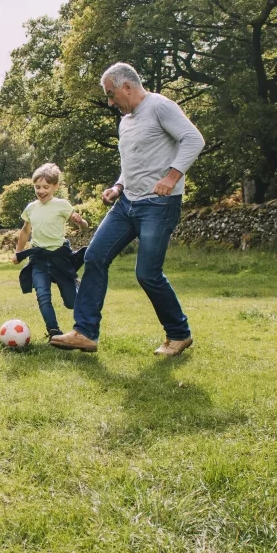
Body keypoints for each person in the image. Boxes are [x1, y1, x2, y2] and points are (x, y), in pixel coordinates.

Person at [50, 62, 205, 355]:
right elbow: (132, 161)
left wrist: (172, 177)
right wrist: (118, 186)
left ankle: (179, 333)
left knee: (147, 273)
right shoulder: (125, 121)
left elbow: (194, 139)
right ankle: (85, 332)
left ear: (127, 87)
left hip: (158, 205)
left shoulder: (160, 106)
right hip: (127, 203)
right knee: (94, 256)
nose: (110, 102)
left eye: (111, 94)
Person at [12, 163, 89, 340]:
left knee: (71, 303)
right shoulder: (31, 208)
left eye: (46, 187)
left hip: (59, 258)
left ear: (55, 186)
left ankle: (77, 290)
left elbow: (84, 226)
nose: (41, 191)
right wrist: (18, 252)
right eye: (37, 187)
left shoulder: (62, 205)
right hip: (38, 258)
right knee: (42, 296)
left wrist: (80, 221)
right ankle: (54, 331)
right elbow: (25, 231)